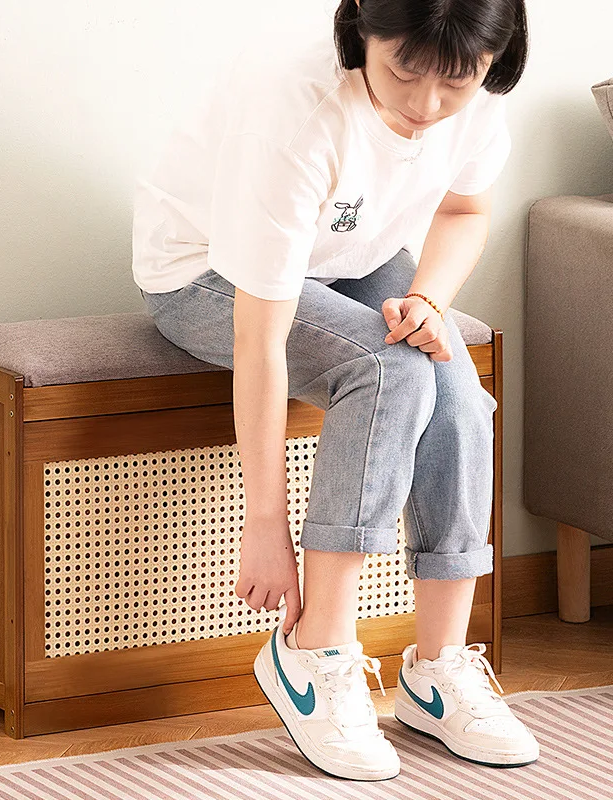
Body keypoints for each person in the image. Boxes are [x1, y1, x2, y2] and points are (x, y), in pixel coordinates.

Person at [131, 0, 540, 783]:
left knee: (452, 373)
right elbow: (260, 337)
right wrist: (266, 527)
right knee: (389, 369)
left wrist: (429, 298)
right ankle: (312, 652)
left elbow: (464, 207)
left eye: (454, 82)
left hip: (353, 254)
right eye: (402, 71)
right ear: (361, 26)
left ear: (495, 56)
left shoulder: (476, 96)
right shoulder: (295, 113)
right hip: (206, 268)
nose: (425, 106)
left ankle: (439, 669)